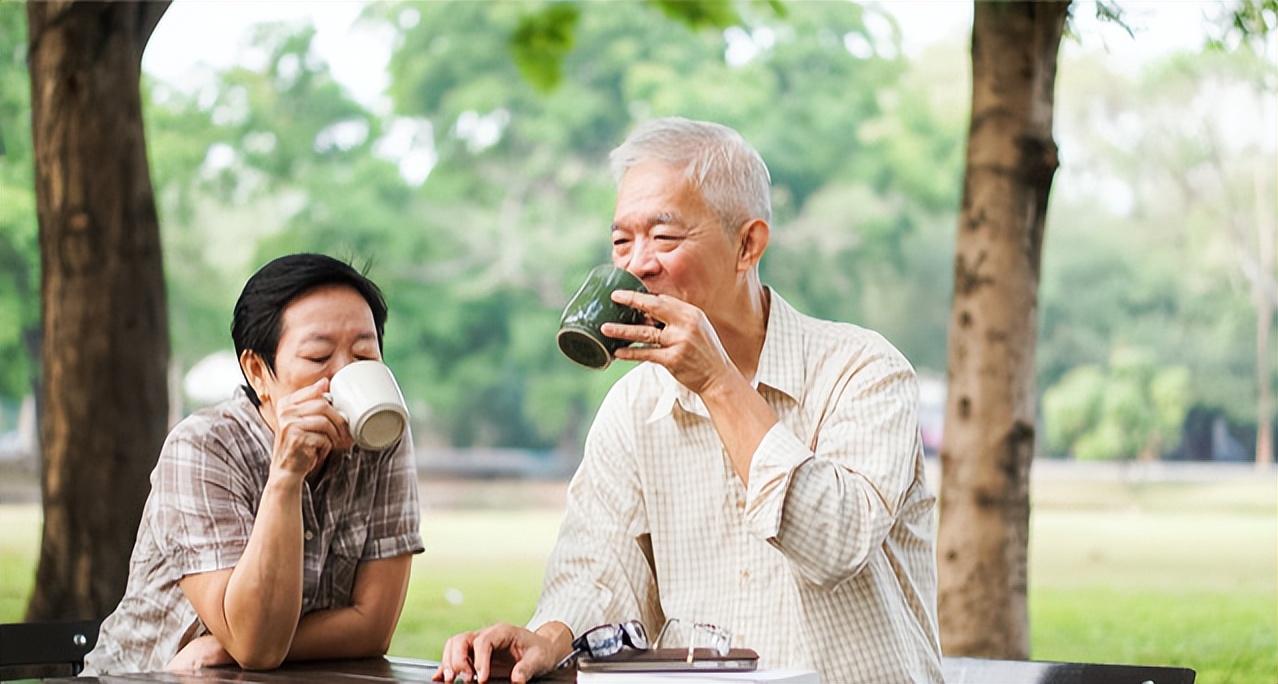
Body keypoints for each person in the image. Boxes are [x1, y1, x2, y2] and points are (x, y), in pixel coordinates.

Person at [434, 118, 941, 683]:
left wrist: (720, 384)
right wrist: (546, 636)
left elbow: (834, 542)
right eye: (622, 241)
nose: (638, 264)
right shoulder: (632, 407)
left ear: (747, 245)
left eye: (664, 237)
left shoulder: (865, 370)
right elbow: (599, 572)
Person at [83, 253, 424, 674]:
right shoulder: (203, 447)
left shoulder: (381, 434)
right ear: (257, 371)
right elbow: (257, 644)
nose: (343, 374)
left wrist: (225, 650)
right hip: (145, 677)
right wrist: (285, 476)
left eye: (364, 354)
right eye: (319, 358)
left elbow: (373, 628)